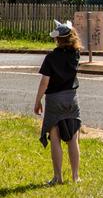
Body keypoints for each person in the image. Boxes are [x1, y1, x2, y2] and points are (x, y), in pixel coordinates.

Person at [34, 20, 82, 185]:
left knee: (55, 138)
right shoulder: (76, 54)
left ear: (58, 39)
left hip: (55, 99)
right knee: (73, 139)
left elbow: (44, 82)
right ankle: (75, 176)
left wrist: (38, 100)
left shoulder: (51, 57)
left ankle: (58, 177)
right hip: (72, 99)